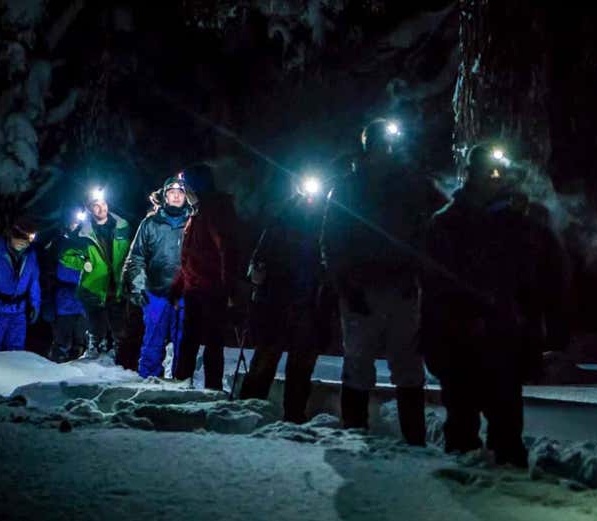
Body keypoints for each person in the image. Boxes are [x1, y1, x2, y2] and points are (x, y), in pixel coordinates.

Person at [421, 143, 564, 466]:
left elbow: (533, 279)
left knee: (507, 428)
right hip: (459, 339)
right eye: (488, 172)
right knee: (462, 426)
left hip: (503, 339)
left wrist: (535, 328)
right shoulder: (447, 224)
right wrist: (447, 332)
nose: (495, 179)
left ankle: (507, 490)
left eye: (499, 173)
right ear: (471, 175)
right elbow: (435, 285)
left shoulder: (516, 224)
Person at [321, 118, 445, 445]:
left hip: (401, 286)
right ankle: (355, 432)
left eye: (388, 144)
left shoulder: (409, 184)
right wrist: (346, 286)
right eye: (379, 144)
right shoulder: (349, 186)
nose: (384, 150)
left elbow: (435, 223)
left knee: (406, 365)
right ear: (368, 147)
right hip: (362, 287)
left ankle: (414, 438)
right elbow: (332, 240)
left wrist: (419, 274)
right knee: (360, 362)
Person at [239, 177, 327, 423]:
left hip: (305, 300)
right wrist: (258, 275)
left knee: (299, 362)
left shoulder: (323, 218)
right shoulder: (281, 218)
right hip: (277, 299)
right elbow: (260, 256)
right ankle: (249, 410)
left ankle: (293, 415)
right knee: (268, 356)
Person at [171, 164, 238, 390]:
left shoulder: (214, 211)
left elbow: (226, 251)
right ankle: (181, 384)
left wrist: (228, 288)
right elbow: (189, 256)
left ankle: (212, 389)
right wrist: (178, 287)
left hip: (212, 289)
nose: (183, 192)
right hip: (194, 289)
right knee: (189, 340)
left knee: (212, 341)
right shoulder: (197, 213)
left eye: (186, 186)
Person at [123, 175, 194, 378]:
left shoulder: (193, 222)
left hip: (185, 295)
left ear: (186, 197)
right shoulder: (150, 224)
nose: (176, 196)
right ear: (164, 196)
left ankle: (181, 383)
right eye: (171, 193)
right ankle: (148, 383)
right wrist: (137, 286)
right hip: (156, 292)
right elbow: (136, 257)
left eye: (180, 193)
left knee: (184, 342)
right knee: (153, 341)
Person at [59, 187, 131, 360]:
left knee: (119, 331)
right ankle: (93, 364)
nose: (101, 208)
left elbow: (132, 251)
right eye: (96, 205)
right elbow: (64, 256)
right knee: (96, 330)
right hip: (93, 288)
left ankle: (120, 365)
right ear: (89, 209)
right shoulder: (81, 232)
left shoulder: (122, 226)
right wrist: (84, 263)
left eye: (103, 203)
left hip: (117, 286)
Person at [0, 217, 41, 352]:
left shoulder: (30, 256)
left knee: (16, 350)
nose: (25, 245)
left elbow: (34, 282)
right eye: (22, 241)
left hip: (19, 311)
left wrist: (35, 305)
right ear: (11, 236)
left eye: (27, 242)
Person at [49, 209, 87, 362]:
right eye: (74, 222)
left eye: (79, 223)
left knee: (81, 340)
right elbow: (51, 269)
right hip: (63, 299)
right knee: (62, 340)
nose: (76, 226)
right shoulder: (58, 243)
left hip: (83, 300)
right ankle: (57, 365)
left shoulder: (89, 241)